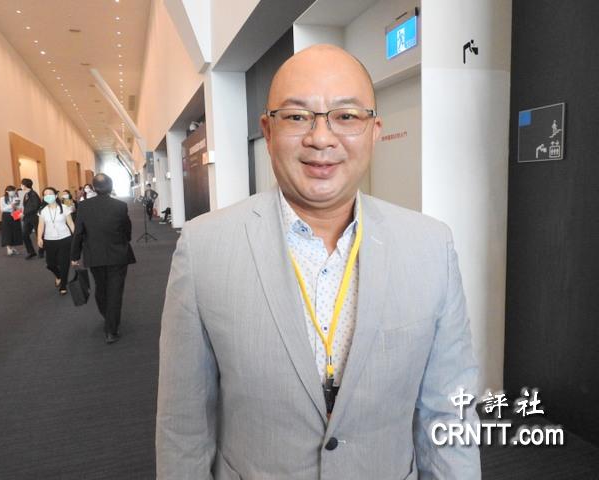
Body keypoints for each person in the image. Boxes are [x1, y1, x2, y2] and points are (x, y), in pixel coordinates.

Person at [156, 45, 481, 479]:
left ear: (374, 131)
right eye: (296, 117)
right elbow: (183, 424)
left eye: (346, 116)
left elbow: (450, 412)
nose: (321, 138)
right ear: (268, 131)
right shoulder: (204, 248)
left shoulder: (430, 246)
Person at [71, 173, 136, 344]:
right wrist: (124, 240)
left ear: (93, 187)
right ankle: (111, 330)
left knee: (101, 288)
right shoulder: (120, 206)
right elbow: (127, 229)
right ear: (111, 186)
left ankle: (108, 318)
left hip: (95, 255)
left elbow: (78, 233)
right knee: (115, 291)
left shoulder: (84, 206)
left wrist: (75, 256)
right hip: (118, 254)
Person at [37, 187, 75, 295]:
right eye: (45, 194)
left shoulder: (64, 207)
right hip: (49, 240)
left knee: (64, 263)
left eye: (50, 193)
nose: (48, 196)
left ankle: (63, 285)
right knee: (50, 264)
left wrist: (76, 237)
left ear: (55, 195)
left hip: (65, 238)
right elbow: (40, 225)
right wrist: (39, 237)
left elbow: (70, 223)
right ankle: (58, 276)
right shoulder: (42, 210)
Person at [19, 178, 42, 260]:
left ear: (25, 185)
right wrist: (21, 213)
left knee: (38, 235)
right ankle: (31, 252)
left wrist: (24, 213)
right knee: (24, 234)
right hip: (27, 218)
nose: (21, 186)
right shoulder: (26, 194)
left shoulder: (33, 194)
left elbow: (35, 206)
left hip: (35, 217)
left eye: (21, 184)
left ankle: (41, 251)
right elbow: (25, 206)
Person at [0, 185, 22, 256]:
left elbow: (18, 208)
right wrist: (11, 205)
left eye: (14, 191)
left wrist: (18, 212)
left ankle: (13, 248)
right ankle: (8, 248)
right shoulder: (2, 198)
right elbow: (2, 209)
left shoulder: (16, 198)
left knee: (15, 231)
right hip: (6, 215)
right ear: (7, 191)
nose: (13, 192)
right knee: (7, 231)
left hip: (15, 214)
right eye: (12, 191)